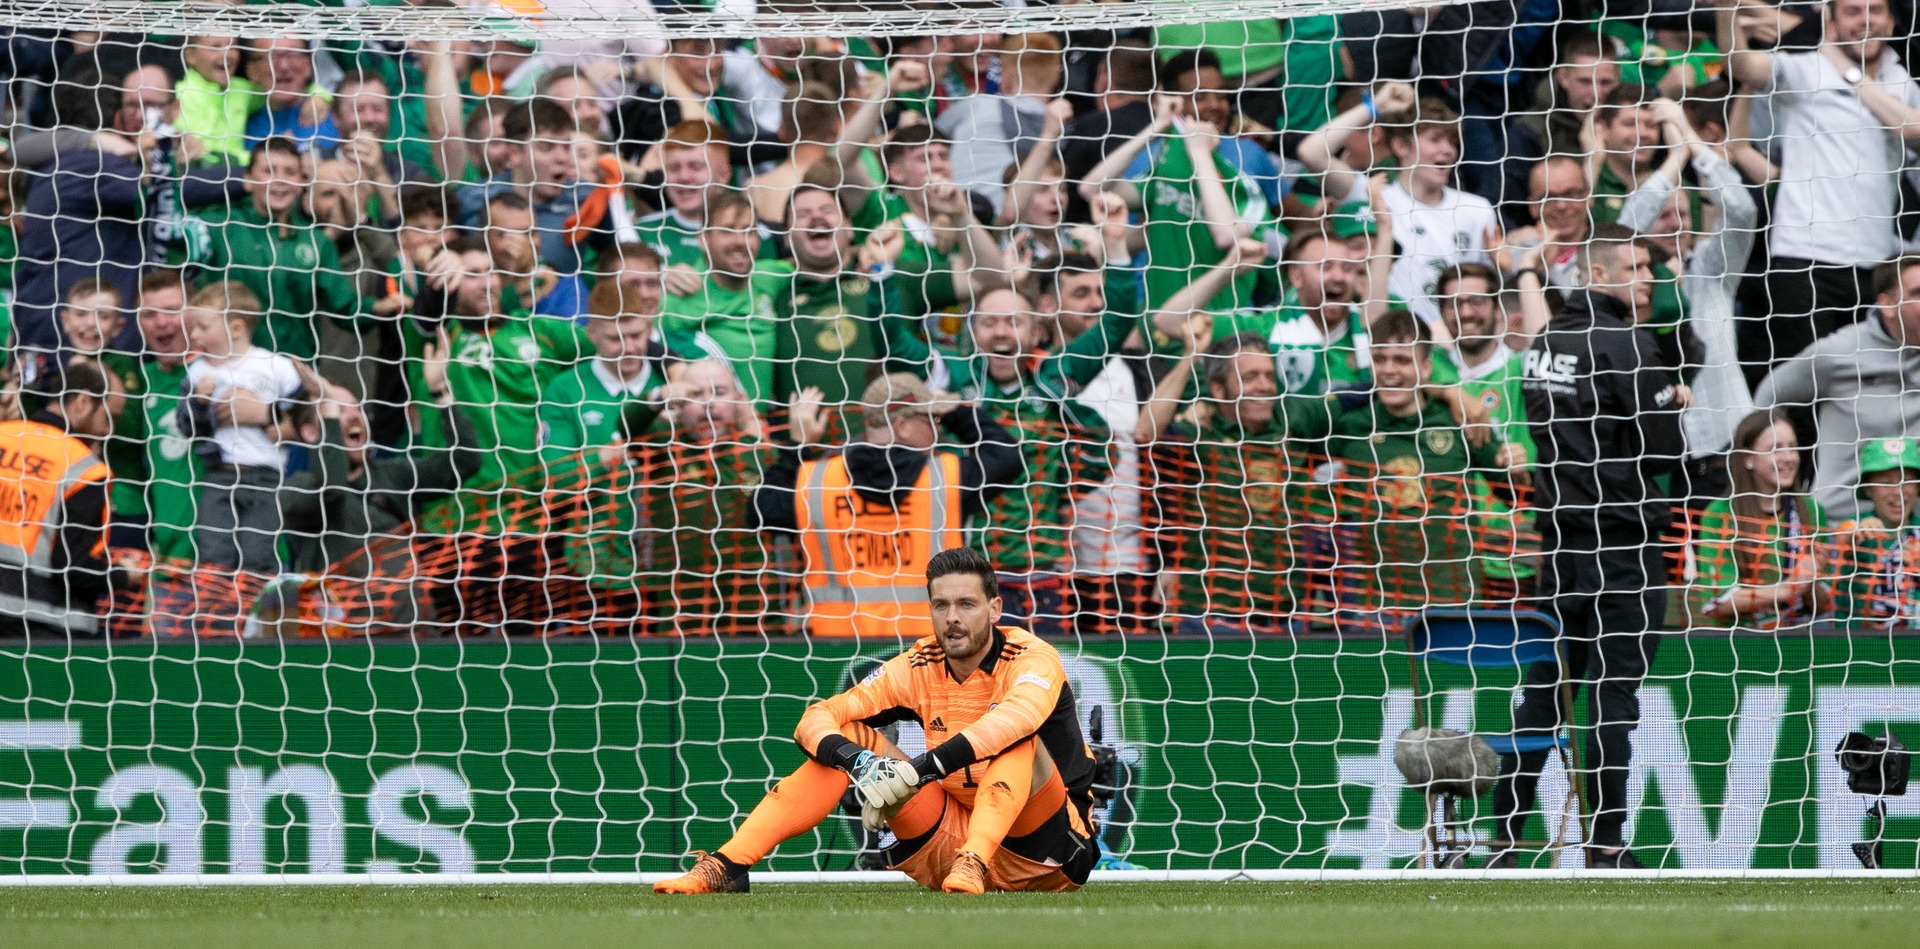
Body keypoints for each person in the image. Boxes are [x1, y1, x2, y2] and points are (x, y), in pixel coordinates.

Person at [652, 546, 1098, 895]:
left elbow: (1014, 720)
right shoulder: (918, 664)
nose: (953, 619)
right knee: (846, 735)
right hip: (948, 840)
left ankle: (975, 859)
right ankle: (727, 867)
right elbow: (817, 718)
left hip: (1045, 853)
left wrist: (916, 771)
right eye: (941, 606)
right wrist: (862, 765)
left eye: (967, 604)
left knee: (1016, 736)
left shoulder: (1033, 657)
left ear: (996, 610)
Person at [1497, 225, 1688, 869]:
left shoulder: (1544, 339)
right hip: (1623, 546)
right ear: (1598, 274)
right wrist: (1674, 400)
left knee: (1543, 694)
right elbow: (1666, 450)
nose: (1649, 278)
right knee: (1613, 699)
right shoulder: (1629, 344)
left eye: (1650, 268)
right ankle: (1605, 843)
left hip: (1557, 549)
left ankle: (1504, 836)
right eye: (1635, 267)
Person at [1722, 0, 1920, 376]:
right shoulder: (1805, 69)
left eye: (1875, 10)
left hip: (1873, 264)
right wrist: (1724, 10)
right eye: (1852, 11)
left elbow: (1913, 131)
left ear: (1893, 22)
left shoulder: (1901, 81)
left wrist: (1848, 73)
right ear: (1830, 21)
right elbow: (1742, 64)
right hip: (1804, 260)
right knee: (1802, 385)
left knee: (1864, 387)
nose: (1865, 21)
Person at [752, 373, 1023, 639]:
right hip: (931, 656)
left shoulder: (817, 482)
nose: (938, 428)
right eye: (931, 418)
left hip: (837, 655)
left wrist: (797, 445)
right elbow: (1008, 456)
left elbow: (759, 510)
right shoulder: (948, 479)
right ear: (903, 426)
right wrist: (956, 412)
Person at [1754, 256, 1920, 522]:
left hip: (1912, 534)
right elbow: (1768, 395)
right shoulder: (1840, 354)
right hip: (1840, 528)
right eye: (1918, 293)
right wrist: (1785, 465)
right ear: (1887, 305)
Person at [182, 136, 371, 363]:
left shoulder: (316, 241)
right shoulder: (218, 227)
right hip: (229, 370)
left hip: (295, 375)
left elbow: (347, 311)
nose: (279, 180)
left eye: (290, 172)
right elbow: (174, 205)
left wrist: (379, 308)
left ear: (302, 183)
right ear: (248, 179)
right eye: (269, 171)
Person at [177, 281, 322, 575]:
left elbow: (309, 412)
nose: (194, 335)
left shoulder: (274, 366)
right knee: (215, 558)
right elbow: (186, 427)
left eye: (202, 327)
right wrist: (201, 403)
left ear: (237, 328)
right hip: (219, 476)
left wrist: (267, 414)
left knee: (258, 557)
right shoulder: (197, 372)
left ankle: (259, 620)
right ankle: (219, 619)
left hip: (266, 477)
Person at [0, 359, 123, 638]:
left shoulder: (3, 434)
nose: (107, 432)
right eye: (109, 418)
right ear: (82, 402)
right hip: (43, 625)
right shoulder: (84, 468)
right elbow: (72, 567)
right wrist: (124, 575)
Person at [1688, 410, 1824, 630]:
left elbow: (1826, 605)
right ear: (1748, 459)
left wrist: (1812, 580)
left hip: (1802, 640)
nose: (1789, 457)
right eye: (1775, 449)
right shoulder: (1719, 514)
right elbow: (1718, 600)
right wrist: (1788, 589)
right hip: (1741, 646)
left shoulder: (1811, 509)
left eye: (1793, 446)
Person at [1827, 436, 1920, 624]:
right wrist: (1857, 532)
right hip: (1860, 645)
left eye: (1907, 481)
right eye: (1886, 482)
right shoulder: (1857, 526)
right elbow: (1843, 537)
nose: (1898, 492)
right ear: (1868, 489)